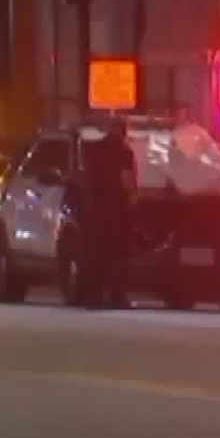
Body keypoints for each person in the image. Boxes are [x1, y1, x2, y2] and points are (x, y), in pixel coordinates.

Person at [85, 120, 137, 309]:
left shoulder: (95, 150)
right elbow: (127, 180)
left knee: (98, 253)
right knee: (118, 254)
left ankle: (95, 295)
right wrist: (132, 200)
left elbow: (88, 179)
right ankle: (117, 295)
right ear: (122, 132)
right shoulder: (124, 152)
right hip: (117, 209)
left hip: (97, 209)